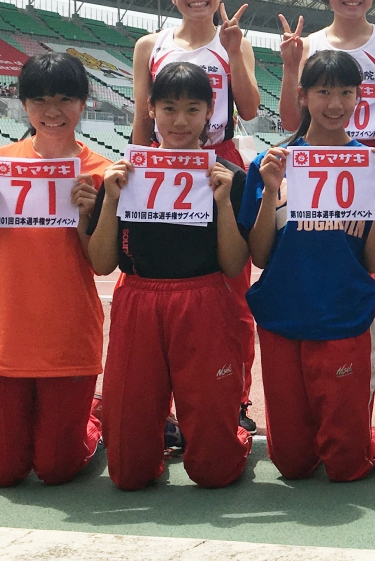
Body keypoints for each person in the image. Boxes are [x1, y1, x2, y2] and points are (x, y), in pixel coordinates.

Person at [87, 63, 252, 490]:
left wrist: (224, 204)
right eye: (169, 108)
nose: (180, 121)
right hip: (138, 299)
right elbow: (102, 264)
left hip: (204, 302)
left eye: (192, 109)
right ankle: (139, 429)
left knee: (216, 472)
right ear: (150, 108)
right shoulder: (124, 175)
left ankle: (233, 436)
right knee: (128, 474)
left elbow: (235, 267)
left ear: (211, 112)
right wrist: (109, 200)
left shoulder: (230, 178)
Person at [240, 50, 375, 481]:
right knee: (292, 465)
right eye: (324, 91)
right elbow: (258, 256)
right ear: (303, 95)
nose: (335, 104)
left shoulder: (373, 167)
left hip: (344, 318)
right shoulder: (271, 164)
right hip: (283, 317)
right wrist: (271, 188)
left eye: (346, 92)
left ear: (361, 97)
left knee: (346, 465)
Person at [276, 0, 375, 434]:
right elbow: (292, 121)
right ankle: (327, 378)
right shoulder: (308, 43)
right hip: (319, 166)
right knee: (332, 275)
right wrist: (292, 66)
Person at [0, 53, 107, 487]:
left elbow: (101, 263)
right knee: (1, 473)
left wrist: (87, 218)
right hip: (2, 337)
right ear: (24, 105)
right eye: (39, 100)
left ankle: (94, 419)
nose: (52, 111)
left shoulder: (100, 173)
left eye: (65, 99)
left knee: (57, 469)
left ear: (83, 104)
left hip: (67, 340)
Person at [132, 0, 261, 433]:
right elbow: (143, 119)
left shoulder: (234, 42)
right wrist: (137, 167)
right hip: (163, 166)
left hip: (219, 162)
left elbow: (249, 107)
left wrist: (231, 50)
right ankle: (166, 404)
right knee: (164, 278)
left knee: (232, 288)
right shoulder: (151, 45)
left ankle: (237, 397)